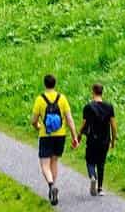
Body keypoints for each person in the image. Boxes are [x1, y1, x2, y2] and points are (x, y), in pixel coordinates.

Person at [31, 73, 78, 206]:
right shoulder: (62, 98)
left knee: (44, 164)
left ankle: (51, 186)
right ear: (55, 83)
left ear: (44, 84)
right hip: (60, 135)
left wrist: (37, 126)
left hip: (46, 135)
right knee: (54, 161)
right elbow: (69, 119)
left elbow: (33, 120)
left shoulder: (40, 99)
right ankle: (53, 186)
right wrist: (74, 136)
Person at [79, 83, 117, 197]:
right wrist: (113, 140)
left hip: (92, 139)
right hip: (105, 140)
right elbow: (113, 126)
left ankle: (92, 177)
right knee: (101, 163)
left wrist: (79, 134)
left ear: (93, 92)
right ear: (102, 92)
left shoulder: (88, 107)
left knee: (90, 161)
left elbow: (84, 124)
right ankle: (100, 188)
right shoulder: (109, 107)